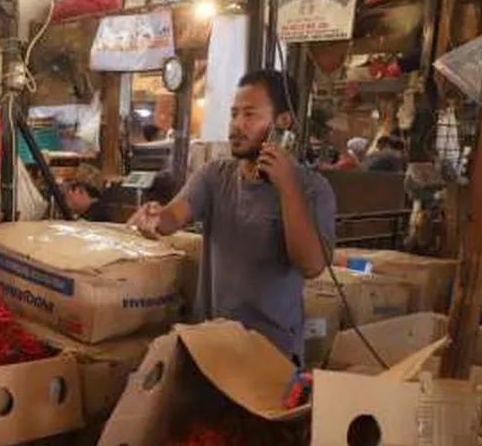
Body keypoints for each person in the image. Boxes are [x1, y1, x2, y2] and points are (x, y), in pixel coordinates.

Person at [130, 69, 336, 364]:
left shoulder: (314, 189)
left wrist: (288, 186)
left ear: (283, 122)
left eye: (249, 115)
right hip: (211, 344)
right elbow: (175, 215)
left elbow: (312, 265)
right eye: (234, 114)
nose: (237, 125)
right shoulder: (215, 175)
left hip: (271, 354)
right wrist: (156, 216)